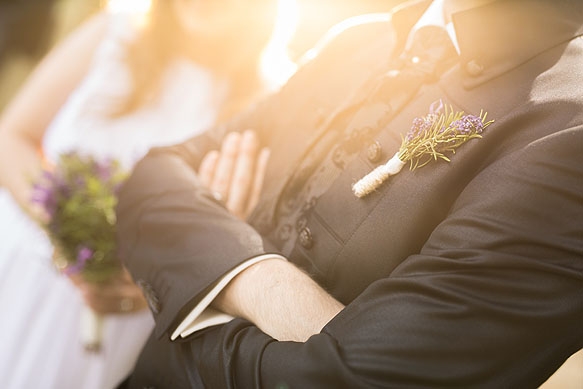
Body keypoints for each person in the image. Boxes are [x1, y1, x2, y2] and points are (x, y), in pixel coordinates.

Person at [116, 0, 583, 387]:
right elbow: (156, 176)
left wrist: (195, 285)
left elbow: (353, 380)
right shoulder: (358, 40)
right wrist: (255, 278)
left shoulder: (567, 127)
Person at [0, 0, 277, 388]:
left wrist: (140, 285)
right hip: (19, 272)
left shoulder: (262, 105)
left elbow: (220, 242)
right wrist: (68, 226)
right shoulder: (113, 32)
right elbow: (12, 136)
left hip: (115, 323)